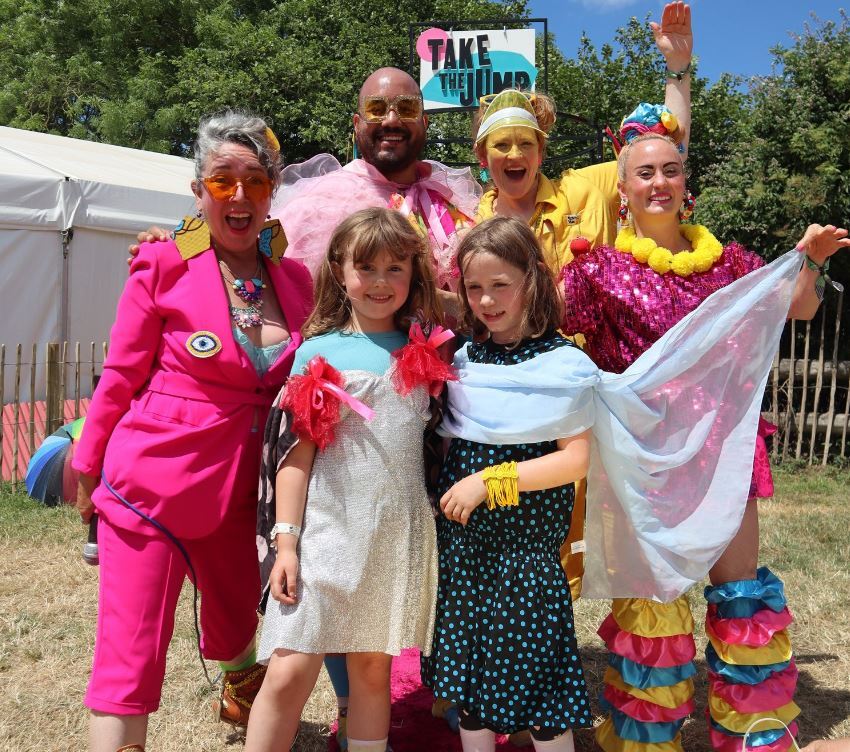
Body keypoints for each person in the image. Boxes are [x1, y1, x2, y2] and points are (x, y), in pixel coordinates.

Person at [559, 112, 849, 752]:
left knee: (739, 593)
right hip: (641, 459)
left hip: (723, 451)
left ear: (685, 181)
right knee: (653, 602)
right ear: (622, 188)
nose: (659, 182)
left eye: (671, 169)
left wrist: (810, 260)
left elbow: (799, 306)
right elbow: (538, 325)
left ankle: (751, 733)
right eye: (644, 172)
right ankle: (647, 737)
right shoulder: (593, 270)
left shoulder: (733, 262)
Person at [72, 112, 314, 752]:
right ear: (198, 190)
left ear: (272, 190)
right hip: (151, 489)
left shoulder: (296, 279)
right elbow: (121, 375)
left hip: (245, 495)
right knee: (130, 654)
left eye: (255, 180)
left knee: (236, 620)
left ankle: (242, 700)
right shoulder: (162, 264)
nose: (239, 195)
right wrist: (88, 464)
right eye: (222, 179)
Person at [472, 1, 693, 607]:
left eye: (525, 143)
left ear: (541, 151)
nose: (513, 155)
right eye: (500, 145)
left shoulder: (587, 187)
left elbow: (661, 153)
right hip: (502, 385)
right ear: (483, 157)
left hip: (582, 379)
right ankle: (512, 632)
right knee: (509, 511)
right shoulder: (468, 216)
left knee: (580, 515)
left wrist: (677, 71)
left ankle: (571, 634)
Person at [245, 207, 454, 752]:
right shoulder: (317, 353)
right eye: (366, 267)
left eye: (395, 269)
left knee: (371, 669)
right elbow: (295, 458)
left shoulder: (425, 349)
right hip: (325, 534)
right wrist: (286, 543)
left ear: (413, 275)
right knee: (288, 668)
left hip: (394, 535)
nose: (381, 282)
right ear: (339, 270)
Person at [424, 217, 594, 752]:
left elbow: (576, 461)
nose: (486, 300)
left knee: (541, 691)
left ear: (533, 279)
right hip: (464, 551)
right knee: (469, 688)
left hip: (525, 556)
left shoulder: (563, 364)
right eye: (474, 287)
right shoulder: (465, 360)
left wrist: (491, 482)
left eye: (501, 285)